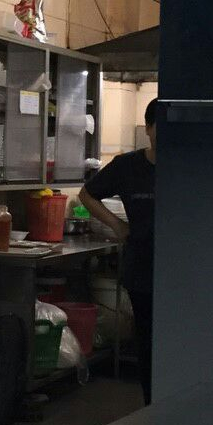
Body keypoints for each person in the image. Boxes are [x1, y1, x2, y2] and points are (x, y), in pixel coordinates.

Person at [78, 98, 157, 403]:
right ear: (148, 129)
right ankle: (151, 404)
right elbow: (87, 195)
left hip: (182, 270)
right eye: (159, 127)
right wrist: (116, 224)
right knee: (147, 341)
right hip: (142, 269)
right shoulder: (128, 167)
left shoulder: (186, 167)